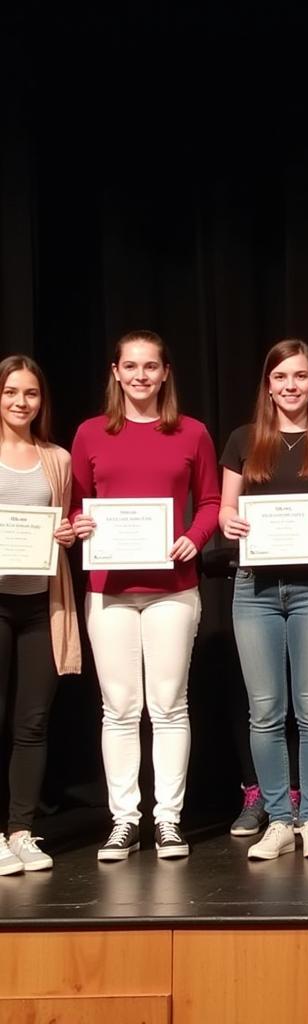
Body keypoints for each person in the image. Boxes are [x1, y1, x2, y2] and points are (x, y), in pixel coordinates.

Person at [70, 330, 220, 862]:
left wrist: (194, 537)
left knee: (169, 706)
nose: (140, 375)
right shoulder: (89, 434)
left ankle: (168, 820)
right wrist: (78, 526)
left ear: (165, 373)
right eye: (130, 366)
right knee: (119, 709)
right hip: (108, 589)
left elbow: (210, 501)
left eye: (150, 367)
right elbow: (75, 507)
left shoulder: (192, 432)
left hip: (172, 589)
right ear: (115, 372)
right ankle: (123, 820)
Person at [220, 339, 308, 861]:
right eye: (280, 377)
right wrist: (228, 522)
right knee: (265, 712)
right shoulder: (243, 440)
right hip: (254, 589)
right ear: (268, 385)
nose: (290, 386)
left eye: (300, 376)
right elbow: (225, 510)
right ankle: (279, 820)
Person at [0, 356, 80, 875]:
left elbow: (67, 516)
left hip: (41, 606)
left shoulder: (58, 458)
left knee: (32, 722)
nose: (20, 402)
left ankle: (22, 830)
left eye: (30, 393)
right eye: (11, 392)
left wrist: (68, 532)